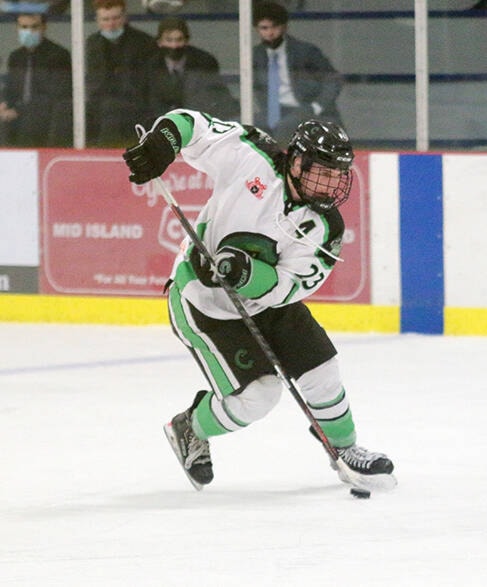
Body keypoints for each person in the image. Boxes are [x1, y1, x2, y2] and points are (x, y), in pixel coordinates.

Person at [121, 109, 396, 492]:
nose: (333, 184)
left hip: (268, 302)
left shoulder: (325, 225)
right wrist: (164, 142)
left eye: (339, 175)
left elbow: (291, 286)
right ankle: (190, 427)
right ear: (297, 162)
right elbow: (192, 124)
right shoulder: (251, 155)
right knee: (258, 397)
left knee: (322, 371)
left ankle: (344, 447)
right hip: (203, 303)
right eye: (324, 171)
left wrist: (249, 275)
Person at [252, 0, 343, 144]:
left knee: (285, 127)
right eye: (264, 28)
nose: (270, 33)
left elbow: (333, 80)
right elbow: (255, 87)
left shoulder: (305, 51)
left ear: (284, 27)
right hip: (273, 112)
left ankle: (284, 164)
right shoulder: (255, 56)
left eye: (274, 27)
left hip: (304, 109)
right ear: (257, 29)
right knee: (241, 126)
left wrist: (316, 106)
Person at [85, 0, 157, 147]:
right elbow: (94, 80)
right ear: (97, 21)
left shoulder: (144, 42)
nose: (111, 24)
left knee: (112, 110)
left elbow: (147, 82)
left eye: (115, 18)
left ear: (124, 17)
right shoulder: (92, 43)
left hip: (136, 104)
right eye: (105, 19)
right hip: (100, 104)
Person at [145, 16, 239, 123]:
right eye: (169, 40)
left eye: (179, 40)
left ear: (187, 41)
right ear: (159, 42)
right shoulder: (150, 64)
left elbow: (213, 98)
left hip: (198, 122)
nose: (174, 45)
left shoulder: (204, 62)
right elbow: (149, 101)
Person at [0, 12, 72, 147]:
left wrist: (19, 110)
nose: (29, 31)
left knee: (29, 122)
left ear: (44, 28)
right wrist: (3, 103)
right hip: (17, 111)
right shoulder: (16, 56)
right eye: (24, 27)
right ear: (17, 28)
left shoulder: (58, 55)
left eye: (34, 27)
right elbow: (10, 87)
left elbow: (56, 94)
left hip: (44, 112)